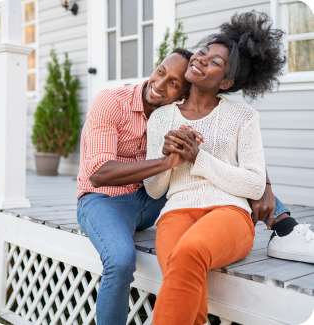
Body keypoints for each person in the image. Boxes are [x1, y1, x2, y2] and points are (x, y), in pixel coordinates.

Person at [76, 45, 312, 325]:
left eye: (174, 83)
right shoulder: (115, 102)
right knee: (122, 259)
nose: (160, 86)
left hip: (159, 198)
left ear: (185, 91)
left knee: (194, 241)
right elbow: (100, 174)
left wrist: (265, 185)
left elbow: (229, 143)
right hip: (107, 197)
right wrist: (167, 162)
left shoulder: (209, 112)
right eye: (160, 72)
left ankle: (285, 225)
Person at [143, 11, 314, 325]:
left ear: (226, 81)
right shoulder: (162, 118)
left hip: (229, 213)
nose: (201, 59)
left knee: (188, 253)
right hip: (176, 212)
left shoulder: (243, 117)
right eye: (203, 52)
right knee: (179, 269)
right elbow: (155, 189)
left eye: (214, 62)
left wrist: (198, 157)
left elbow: (252, 185)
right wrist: (167, 160)